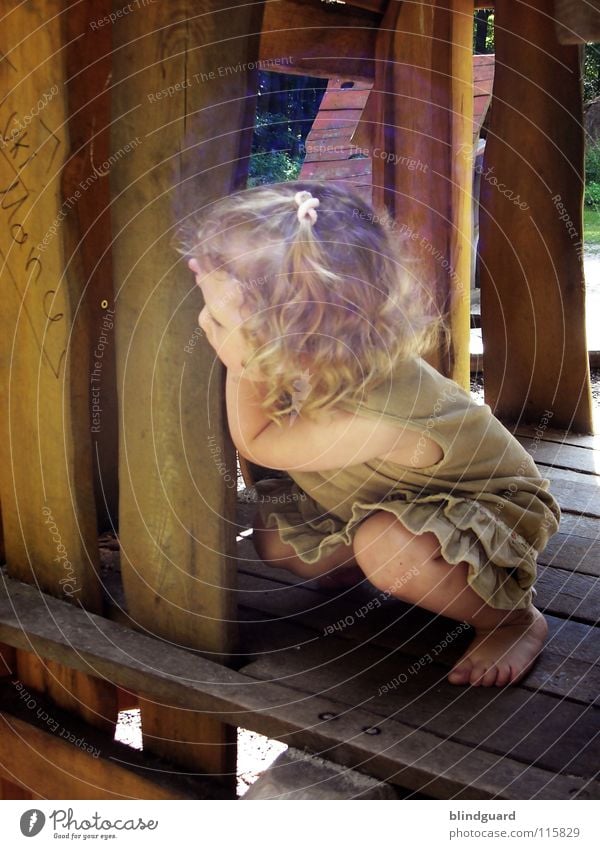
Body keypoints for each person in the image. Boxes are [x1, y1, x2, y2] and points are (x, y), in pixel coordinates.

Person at [177, 180, 561, 688]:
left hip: (482, 514)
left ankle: (510, 619)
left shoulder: (375, 417)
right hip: (382, 498)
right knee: (276, 540)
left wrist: (242, 363)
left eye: (220, 320)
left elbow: (258, 439)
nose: (208, 323)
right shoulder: (326, 355)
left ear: (296, 340)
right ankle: (372, 564)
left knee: (390, 548)